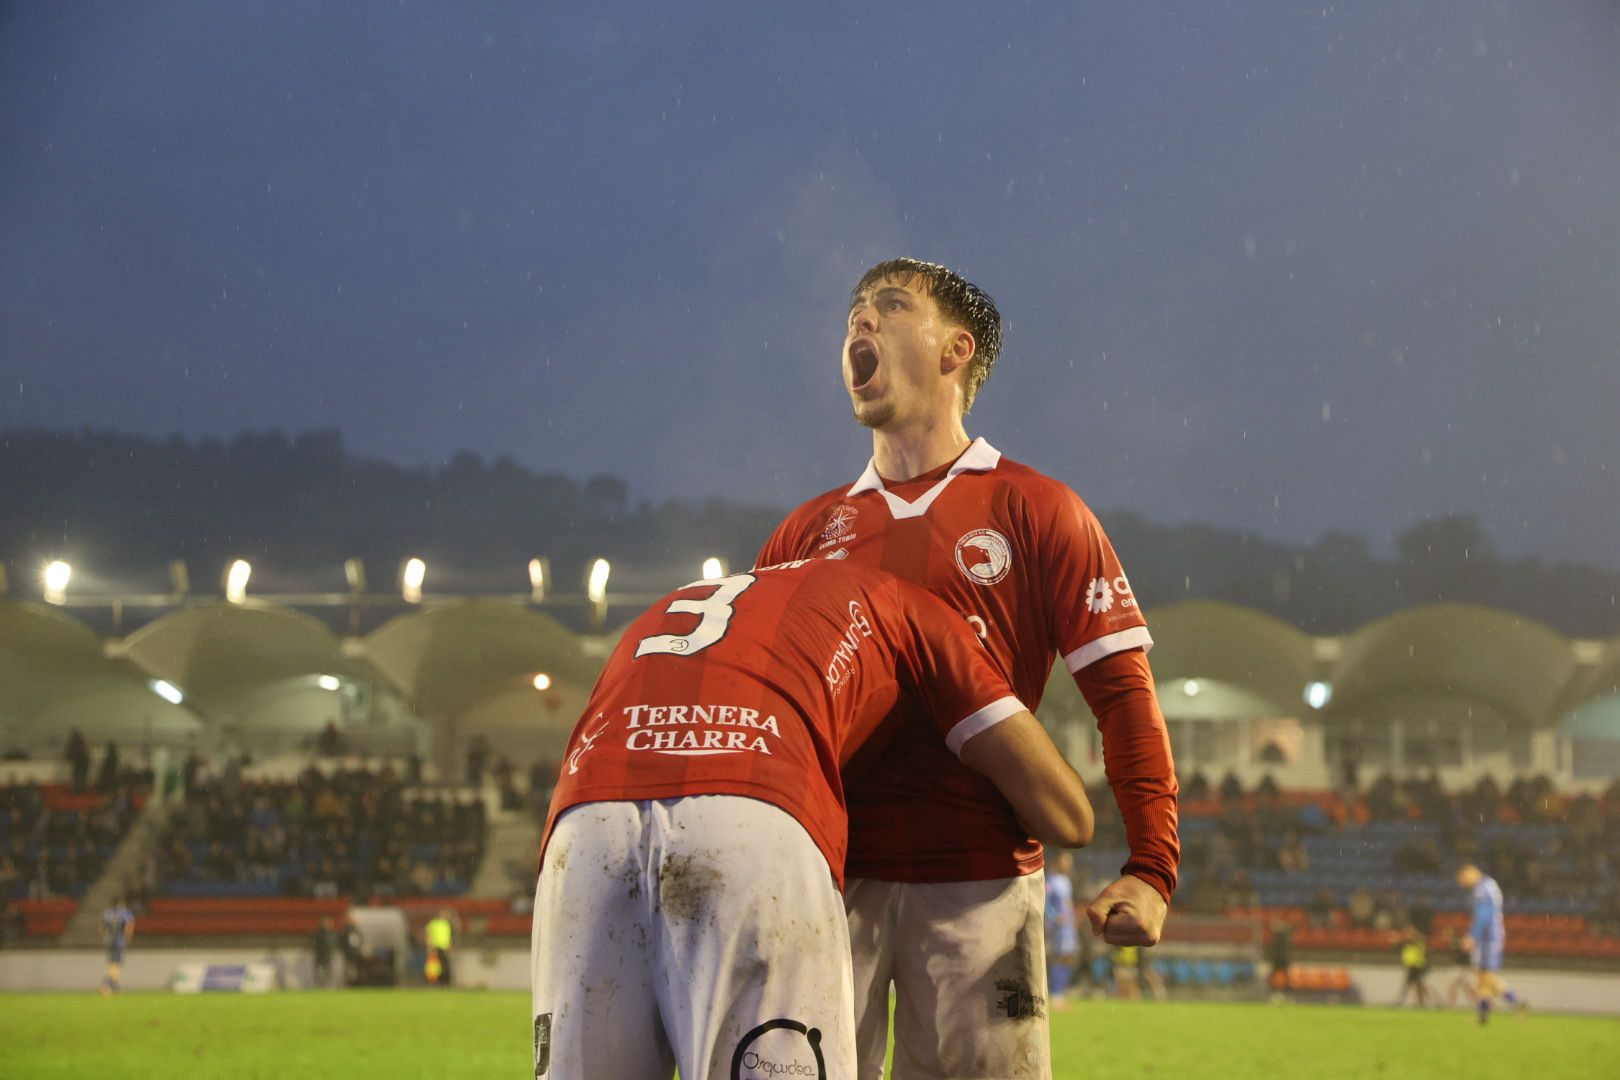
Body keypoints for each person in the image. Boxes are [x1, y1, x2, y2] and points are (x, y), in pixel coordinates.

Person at [757, 257, 1178, 1077]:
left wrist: (1151, 870)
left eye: (890, 306)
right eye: (854, 312)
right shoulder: (803, 536)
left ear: (955, 350)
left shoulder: (1038, 509)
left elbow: (1125, 699)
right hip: (827, 885)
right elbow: (767, 719)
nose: (860, 321)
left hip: (982, 889)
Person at [531, 558, 1095, 1080]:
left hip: (584, 821)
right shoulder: (910, 602)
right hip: (751, 807)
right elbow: (1068, 817)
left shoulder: (711, 594)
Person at [1456, 863, 1528, 1024]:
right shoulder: (1488, 885)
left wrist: (1472, 936)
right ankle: (1483, 1016)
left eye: (1463, 878)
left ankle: (1517, 1003)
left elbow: (1484, 914)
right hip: (1489, 935)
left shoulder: (1482, 888)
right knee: (1481, 975)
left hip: (1488, 937)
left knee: (1485, 975)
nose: (1463, 882)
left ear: (1471, 872)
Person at [1044, 851, 1080, 1008]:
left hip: (1069, 925)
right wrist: (1054, 917)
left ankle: (1061, 993)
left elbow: (1067, 903)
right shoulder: (1051, 880)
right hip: (1059, 926)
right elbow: (1046, 903)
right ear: (1058, 862)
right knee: (1059, 957)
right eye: (1065, 862)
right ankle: (1055, 995)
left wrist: (1073, 919)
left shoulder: (1066, 880)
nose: (1068, 865)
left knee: (1069, 957)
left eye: (1070, 862)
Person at [100, 895, 135, 996]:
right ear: (122, 903)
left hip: (109, 940)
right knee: (116, 963)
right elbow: (129, 926)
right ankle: (106, 983)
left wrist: (104, 939)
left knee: (111, 962)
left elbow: (102, 927)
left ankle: (115, 985)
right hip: (119, 940)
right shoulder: (125, 912)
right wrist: (128, 937)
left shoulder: (107, 912)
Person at [1394, 925, 1430, 1007]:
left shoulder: (1417, 940)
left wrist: (1400, 938)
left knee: (1412, 984)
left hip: (1418, 966)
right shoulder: (1408, 942)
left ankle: (1401, 1001)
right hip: (1412, 966)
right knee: (1417, 984)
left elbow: (1416, 941)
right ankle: (1423, 1002)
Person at [425, 909, 454, 987]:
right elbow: (429, 936)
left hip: (444, 947)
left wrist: (450, 947)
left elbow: (449, 937)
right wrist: (430, 946)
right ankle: (434, 981)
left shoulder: (446, 924)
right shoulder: (433, 923)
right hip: (435, 947)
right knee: (434, 966)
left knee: (445, 965)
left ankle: (445, 982)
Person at [311, 915, 336, 989]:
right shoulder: (318, 933)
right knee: (319, 971)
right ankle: (318, 985)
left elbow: (334, 943)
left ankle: (328, 985)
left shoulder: (332, 932)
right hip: (320, 955)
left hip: (328, 955)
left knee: (328, 971)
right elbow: (314, 943)